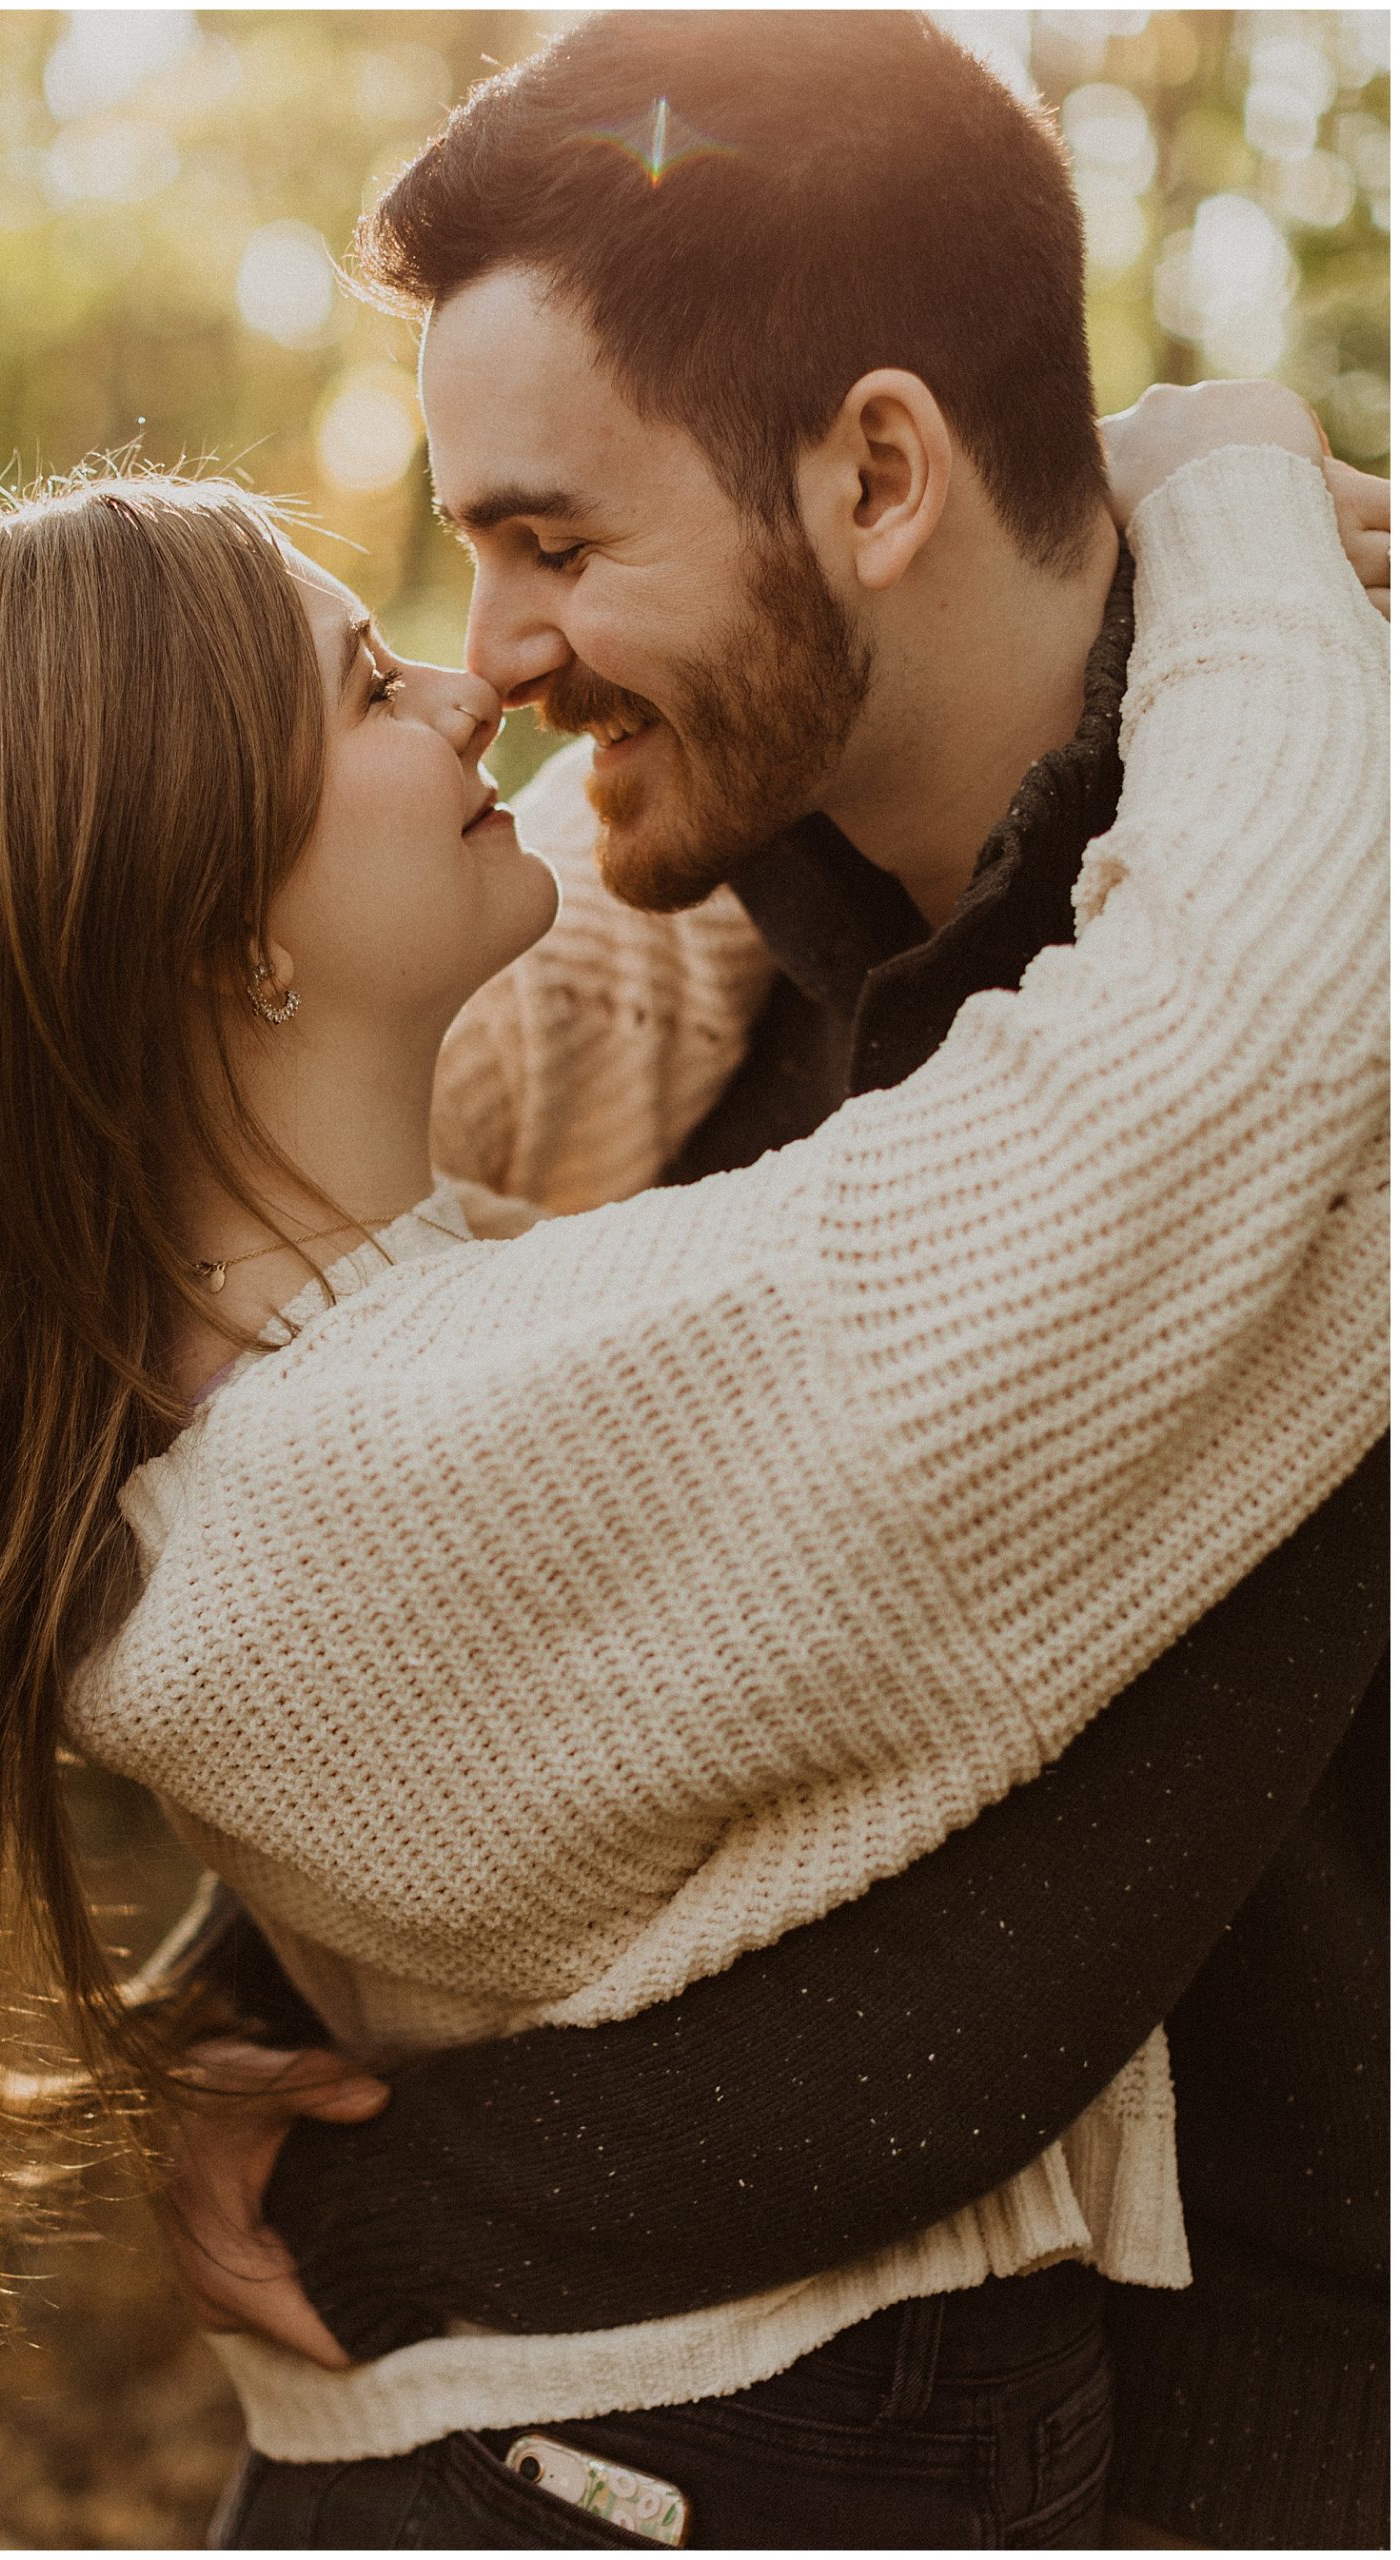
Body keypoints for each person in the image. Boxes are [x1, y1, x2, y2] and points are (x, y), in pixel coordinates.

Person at [0, 385, 1383, 2554]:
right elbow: (1245, 1046)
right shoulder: (430, 1458)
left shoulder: (238, 1356)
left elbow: (667, 868)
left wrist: (800, 627)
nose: (467, 671)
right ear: (223, 939)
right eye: (358, 678)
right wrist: (1211, 476)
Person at [145, 14, 1392, 2549]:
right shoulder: (634, 989)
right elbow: (476, 1591)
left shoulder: (1299, 977)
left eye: (552, 541)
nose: (480, 651)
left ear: (873, 470)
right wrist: (241, 1999)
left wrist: (388, 2206)